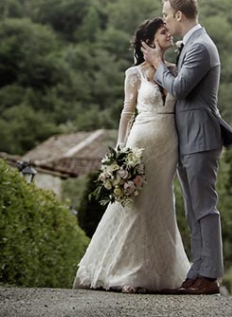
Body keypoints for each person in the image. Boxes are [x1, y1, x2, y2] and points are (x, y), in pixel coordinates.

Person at [73, 18, 191, 293]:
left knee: (161, 204)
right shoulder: (133, 74)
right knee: (135, 205)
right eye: (164, 32)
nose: (169, 35)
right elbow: (127, 111)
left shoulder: (175, 71)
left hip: (168, 145)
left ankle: (158, 270)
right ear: (149, 41)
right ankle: (127, 271)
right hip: (140, 142)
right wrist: (120, 148)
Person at [142, 0, 232, 296]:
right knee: (193, 209)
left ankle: (210, 277)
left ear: (180, 16)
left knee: (205, 208)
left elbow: (182, 88)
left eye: (167, 15)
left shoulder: (201, 46)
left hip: (200, 137)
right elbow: (182, 79)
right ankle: (198, 270)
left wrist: (158, 64)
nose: (166, 21)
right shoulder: (194, 45)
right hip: (188, 138)